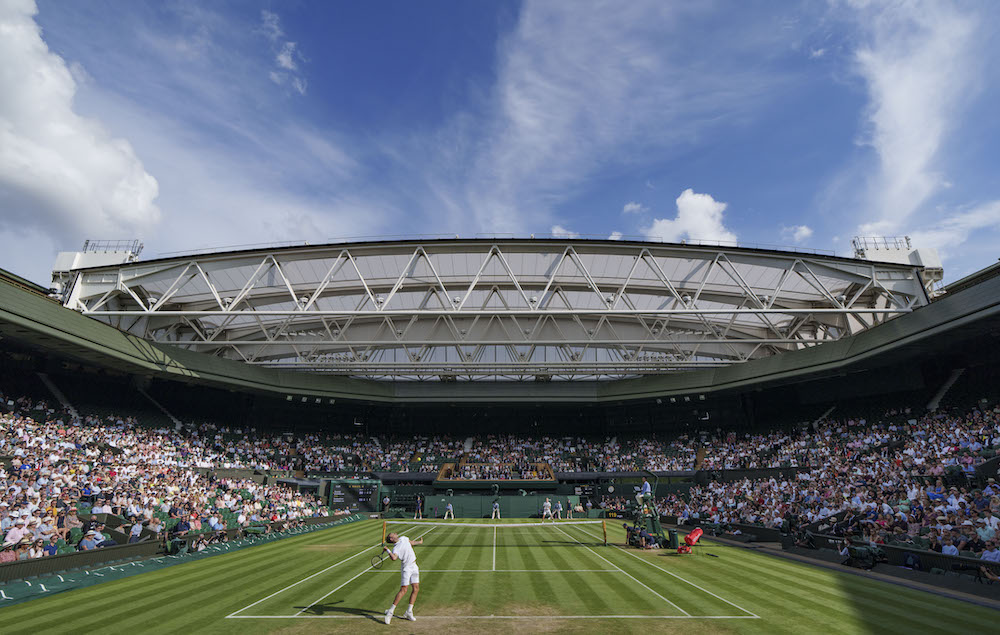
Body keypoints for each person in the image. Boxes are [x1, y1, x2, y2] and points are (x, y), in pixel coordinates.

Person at [382, 532, 424, 624]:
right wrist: (388, 550)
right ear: (391, 539)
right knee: (404, 590)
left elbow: (411, 542)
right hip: (406, 569)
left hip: (414, 566)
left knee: (416, 588)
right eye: (392, 534)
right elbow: (394, 558)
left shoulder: (404, 538)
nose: (395, 533)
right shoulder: (396, 548)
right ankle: (390, 611)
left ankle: (409, 611)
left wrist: (419, 542)